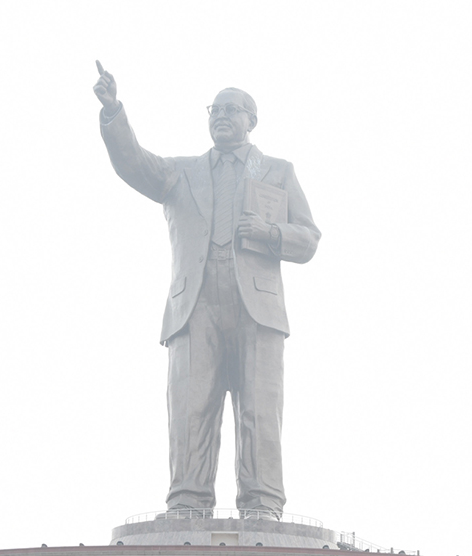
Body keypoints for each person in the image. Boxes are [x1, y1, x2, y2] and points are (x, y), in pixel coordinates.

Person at [94, 64, 321, 518]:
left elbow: (309, 238)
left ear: (251, 119)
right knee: (190, 408)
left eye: (231, 109)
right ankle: (187, 500)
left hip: (256, 304)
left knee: (260, 409)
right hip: (194, 301)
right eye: (214, 110)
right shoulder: (180, 173)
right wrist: (114, 111)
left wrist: (271, 231)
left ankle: (262, 502)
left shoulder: (278, 171)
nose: (220, 116)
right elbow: (132, 162)